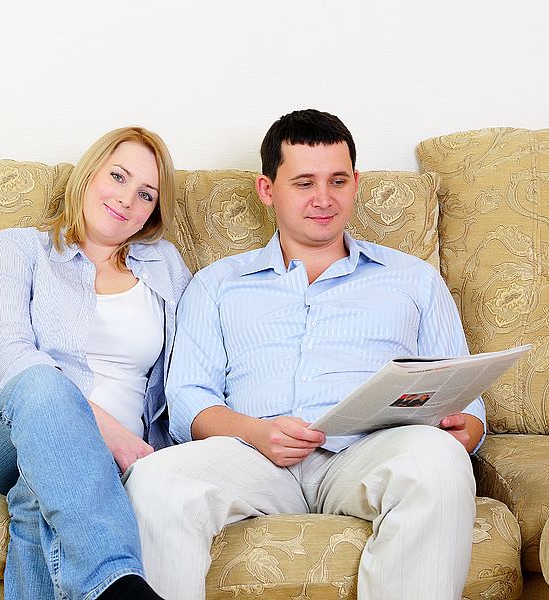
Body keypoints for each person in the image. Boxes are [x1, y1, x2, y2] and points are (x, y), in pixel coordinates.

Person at [123, 109, 485, 599]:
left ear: (356, 183)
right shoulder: (217, 285)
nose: (323, 199)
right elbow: (188, 399)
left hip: (367, 454)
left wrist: (466, 428)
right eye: (304, 183)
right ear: (267, 189)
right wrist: (256, 432)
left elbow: (463, 392)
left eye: (338, 181)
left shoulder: (414, 279)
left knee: (438, 458)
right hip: (253, 458)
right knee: (155, 481)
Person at [0, 126, 191, 600]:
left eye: (146, 194)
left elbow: (189, 369)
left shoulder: (166, 267)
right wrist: (108, 433)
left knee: (42, 492)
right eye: (117, 176)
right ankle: (119, 585)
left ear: (153, 212)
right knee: (42, 385)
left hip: (104, 462)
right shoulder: (19, 249)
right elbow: (11, 357)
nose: (127, 199)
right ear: (90, 173)